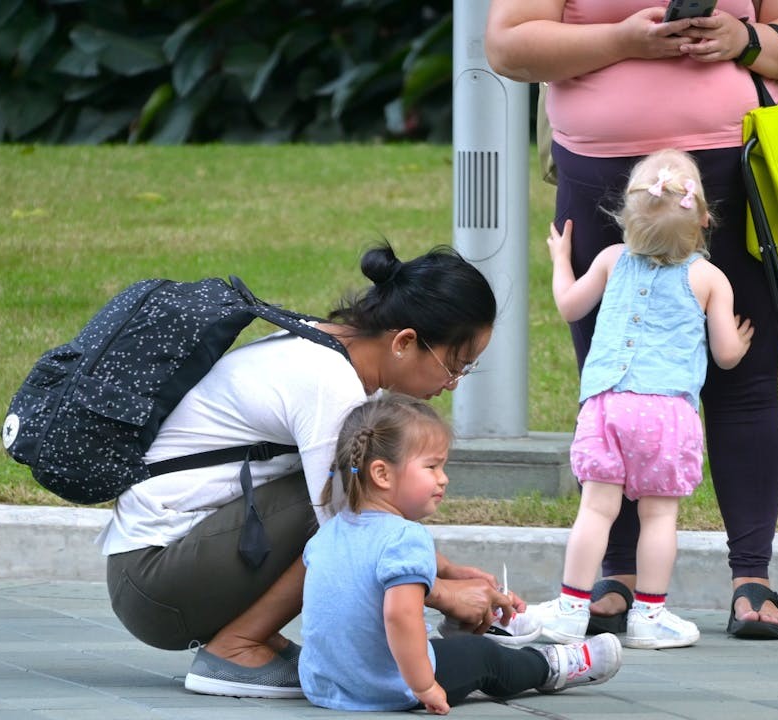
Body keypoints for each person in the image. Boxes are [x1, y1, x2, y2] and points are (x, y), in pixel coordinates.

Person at [485, 0, 778, 640]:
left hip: (736, 171)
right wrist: (624, 40)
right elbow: (507, 46)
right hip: (599, 173)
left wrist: (742, 37)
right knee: (611, 385)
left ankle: (751, 577)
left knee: (747, 384)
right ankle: (616, 574)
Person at [97, 243, 523, 699]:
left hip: (166, 567)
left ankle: (253, 636)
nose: (452, 384)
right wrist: (440, 592)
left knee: (352, 493)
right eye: (453, 365)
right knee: (348, 501)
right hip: (154, 584)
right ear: (403, 342)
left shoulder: (328, 347)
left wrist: (450, 571)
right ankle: (236, 647)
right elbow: (355, 535)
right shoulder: (329, 384)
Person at [530, 150, 753, 650]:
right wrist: (739, 342)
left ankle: (570, 610)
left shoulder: (611, 260)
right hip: (668, 415)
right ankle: (649, 617)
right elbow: (725, 355)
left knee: (595, 511)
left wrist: (561, 259)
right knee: (658, 517)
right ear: (704, 219)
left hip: (607, 405)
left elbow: (569, 305)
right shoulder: (709, 278)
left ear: (625, 218)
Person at [299, 393, 623, 713]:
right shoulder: (405, 537)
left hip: (325, 685)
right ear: (382, 474)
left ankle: (459, 636)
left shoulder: (328, 532)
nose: (444, 479)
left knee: (442, 647)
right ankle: (550, 665)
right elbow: (400, 616)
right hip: (387, 685)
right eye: (432, 466)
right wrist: (424, 686)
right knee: (483, 656)